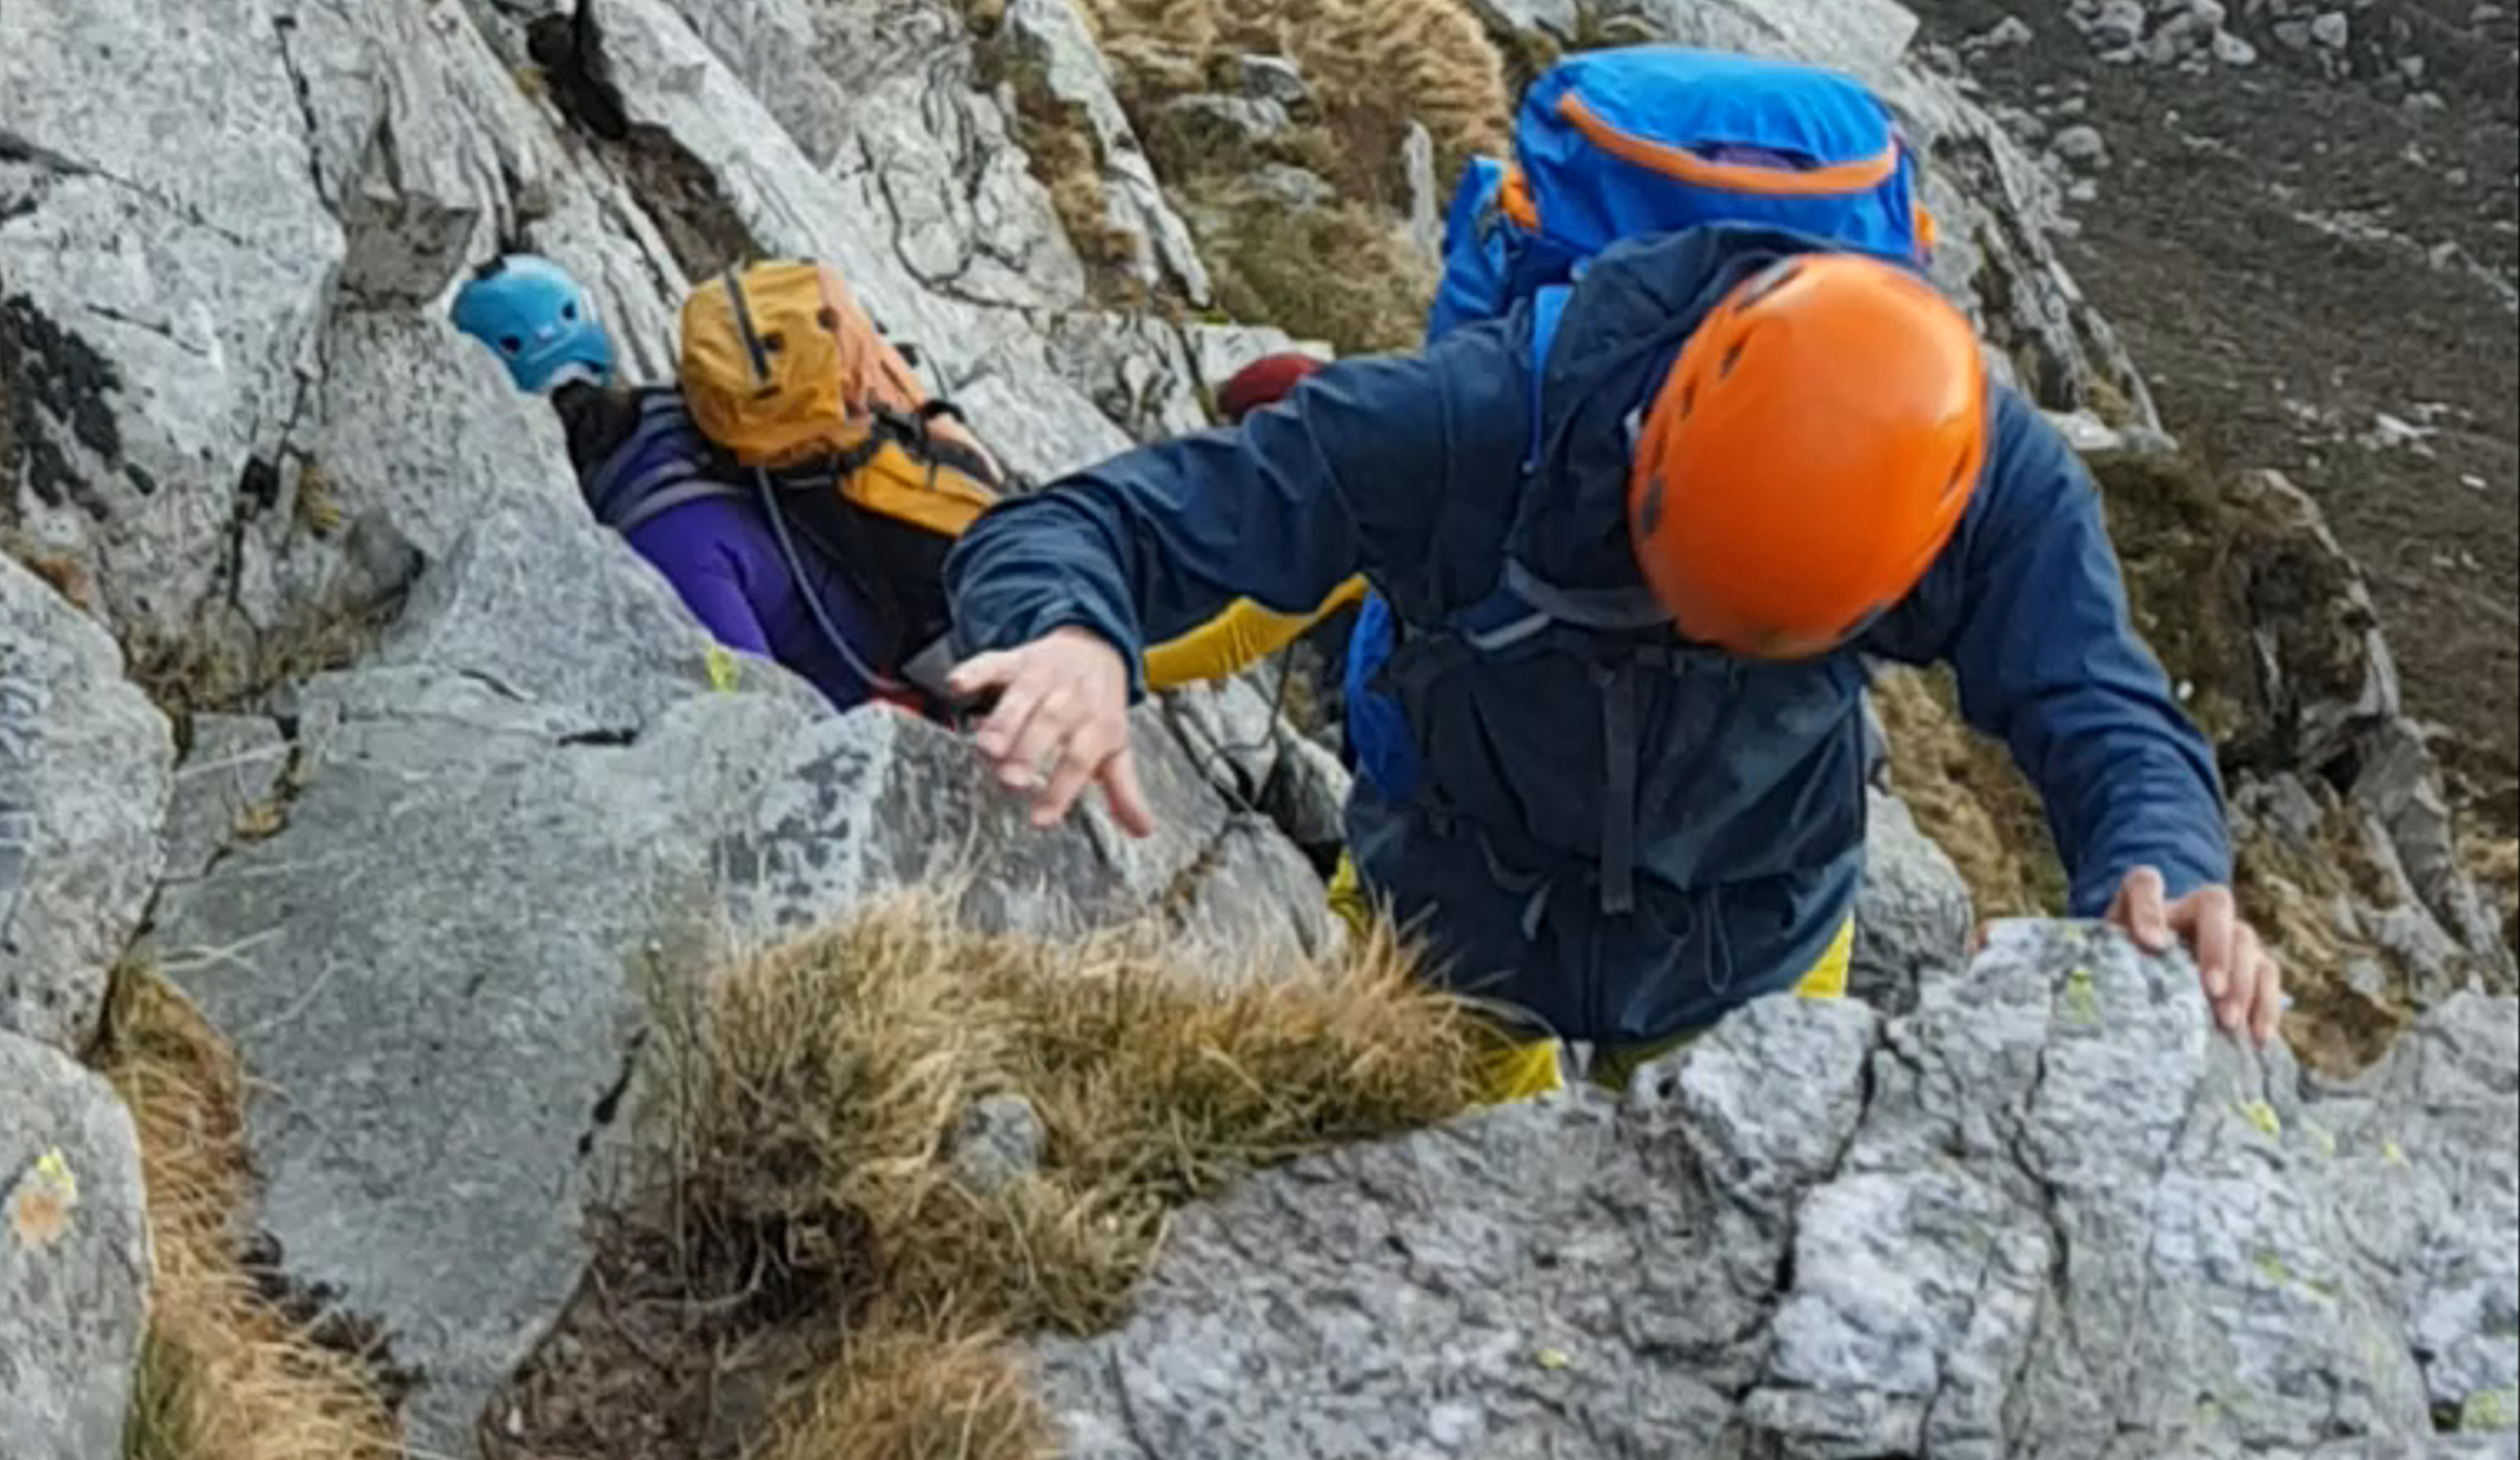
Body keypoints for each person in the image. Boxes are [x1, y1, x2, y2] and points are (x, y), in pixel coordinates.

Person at [947, 226, 2281, 1084]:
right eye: (1682, 587)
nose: (1698, 632)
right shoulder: (1472, 424)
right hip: (1453, 920)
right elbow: (1086, 522)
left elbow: (2100, 704)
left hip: (1756, 933)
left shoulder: (1984, 481)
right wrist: (1068, 629)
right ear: (1655, 432)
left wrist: (2165, 867)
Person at [450, 256, 970, 708]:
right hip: (920, 639)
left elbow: (752, 705)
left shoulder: (659, 533)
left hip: (883, 698)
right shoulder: (697, 412)